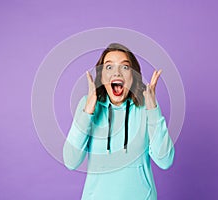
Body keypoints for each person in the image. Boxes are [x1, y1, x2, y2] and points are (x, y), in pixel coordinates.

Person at [63, 43, 175, 200]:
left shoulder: (146, 107)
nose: (117, 72)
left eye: (125, 67)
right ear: (101, 76)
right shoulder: (87, 105)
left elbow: (165, 160)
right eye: (109, 67)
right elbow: (71, 161)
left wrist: (153, 109)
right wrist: (88, 110)